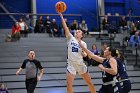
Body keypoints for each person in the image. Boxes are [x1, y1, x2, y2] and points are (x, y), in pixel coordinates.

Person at [58, 12, 96, 93]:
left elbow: (86, 54)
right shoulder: (70, 38)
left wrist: (84, 53)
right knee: (69, 84)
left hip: (80, 64)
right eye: (77, 30)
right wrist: (61, 16)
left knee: (89, 83)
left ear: (81, 35)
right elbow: (65, 27)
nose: (77, 31)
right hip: (71, 64)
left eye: (79, 31)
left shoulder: (83, 43)